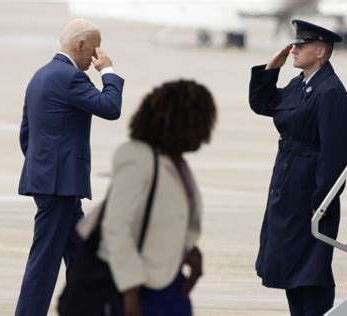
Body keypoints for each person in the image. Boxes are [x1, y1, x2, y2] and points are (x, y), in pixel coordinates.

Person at [16, 19, 124, 316]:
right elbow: (110, 107)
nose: (96, 56)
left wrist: (43, 169)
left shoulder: (41, 75)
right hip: (59, 184)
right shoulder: (70, 77)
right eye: (94, 48)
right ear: (80, 45)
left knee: (82, 256)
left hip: (52, 182)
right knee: (44, 261)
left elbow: (27, 134)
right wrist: (108, 72)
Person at [249, 20, 347, 315]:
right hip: (288, 180)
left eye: (301, 45)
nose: (294, 49)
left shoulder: (329, 91)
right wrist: (272, 68)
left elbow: (334, 153)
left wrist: (321, 201)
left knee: (311, 267)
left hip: (308, 189)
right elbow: (264, 104)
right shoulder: (302, 83)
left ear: (320, 51)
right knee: (290, 264)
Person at [97, 79, 217, 316]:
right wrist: (130, 294)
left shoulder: (176, 162)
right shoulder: (137, 159)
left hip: (169, 283)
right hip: (139, 290)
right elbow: (116, 227)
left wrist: (189, 250)